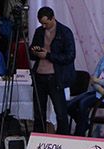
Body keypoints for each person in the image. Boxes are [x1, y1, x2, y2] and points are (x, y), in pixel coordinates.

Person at [30, 7, 75, 135]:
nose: (44, 26)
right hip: (39, 75)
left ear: (53, 18)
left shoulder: (65, 32)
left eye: (46, 23)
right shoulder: (39, 31)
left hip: (56, 76)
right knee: (39, 112)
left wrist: (48, 55)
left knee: (60, 112)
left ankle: (63, 139)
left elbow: (70, 56)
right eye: (41, 23)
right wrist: (35, 51)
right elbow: (32, 52)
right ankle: (39, 138)